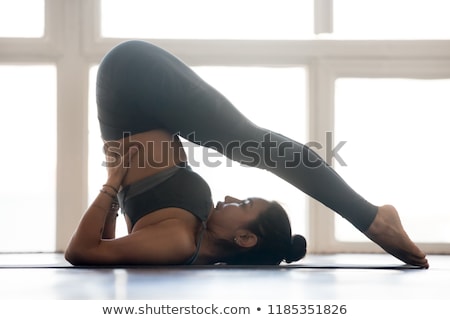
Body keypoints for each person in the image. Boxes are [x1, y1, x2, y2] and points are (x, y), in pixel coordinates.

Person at [65, 40, 429, 268]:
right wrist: (113, 187)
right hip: (138, 91)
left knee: (250, 144)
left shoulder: (178, 243)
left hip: (131, 81)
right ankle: (371, 218)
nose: (230, 197)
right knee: (248, 144)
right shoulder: (189, 238)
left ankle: (372, 219)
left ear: (244, 238)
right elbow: (103, 249)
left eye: (244, 204)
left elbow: (85, 252)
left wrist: (111, 186)